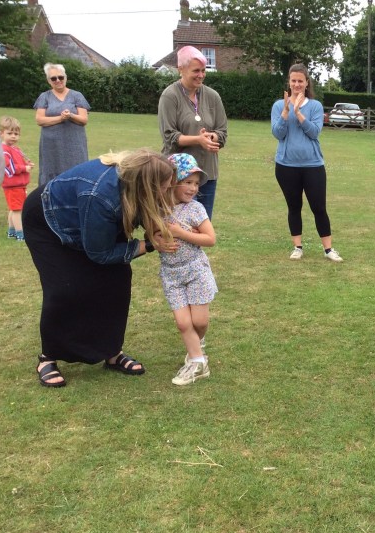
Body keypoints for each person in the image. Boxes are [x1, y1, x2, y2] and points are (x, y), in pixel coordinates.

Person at [22, 148, 177, 387]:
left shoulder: (131, 184)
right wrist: (148, 245)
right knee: (65, 288)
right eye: (164, 187)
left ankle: (112, 353)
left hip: (89, 217)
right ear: (146, 185)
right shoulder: (100, 195)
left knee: (117, 281)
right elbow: (100, 253)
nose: (167, 191)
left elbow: (143, 209)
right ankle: (48, 358)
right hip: (48, 223)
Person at [271, 64, 343, 262]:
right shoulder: (279, 106)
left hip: (313, 166)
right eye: (293, 80)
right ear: (289, 82)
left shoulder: (315, 106)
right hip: (286, 166)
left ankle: (328, 250)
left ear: (306, 83)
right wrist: (286, 112)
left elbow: (314, 132)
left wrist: (299, 113)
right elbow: (277, 133)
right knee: (294, 207)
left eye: (300, 81)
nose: (297, 84)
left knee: (319, 208)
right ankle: (297, 247)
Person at [162, 153, 218, 386]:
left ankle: (196, 346)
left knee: (199, 322)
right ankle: (197, 363)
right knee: (184, 323)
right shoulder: (158, 208)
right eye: (188, 182)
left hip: (196, 271)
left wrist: (181, 233)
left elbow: (210, 239)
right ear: (171, 182)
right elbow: (151, 233)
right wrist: (158, 241)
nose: (194, 188)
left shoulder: (195, 209)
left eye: (196, 183)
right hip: (171, 274)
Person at [159, 45, 227, 220]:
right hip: (178, 176)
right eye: (196, 71)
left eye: (203, 70)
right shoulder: (170, 96)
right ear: (181, 69)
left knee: (203, 224)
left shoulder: (213, 96)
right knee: (179, 224)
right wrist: (198, 140)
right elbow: (169, 137)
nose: (201, 75)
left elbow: (222, 132)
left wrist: (213, 137)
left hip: (207, 173)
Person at [34, 63, 90, 186]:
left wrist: (71, 116)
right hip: (51, 146)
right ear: (49, 81)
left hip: (74, 144)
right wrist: (61, 118)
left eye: (60, 77)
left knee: (77, 170)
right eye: (53, 78)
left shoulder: (77, 96)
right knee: (51, 174)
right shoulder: (44, 97)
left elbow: (84, 119)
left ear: (66, 77)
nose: (58, 80)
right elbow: (39, 120)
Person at [0, 116, 34, 241]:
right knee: (17, 210)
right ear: (1, 133)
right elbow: (8, 168)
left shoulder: (14, 148)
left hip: (18, 185)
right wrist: (24, 168)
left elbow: (17, 162)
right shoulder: (4, 151)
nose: (13, 136)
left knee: (14, 209)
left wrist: (27, 163)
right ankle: (20, 234)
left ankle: (12, 231)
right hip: (13, 186)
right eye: (10, 133)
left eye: (16, 134)